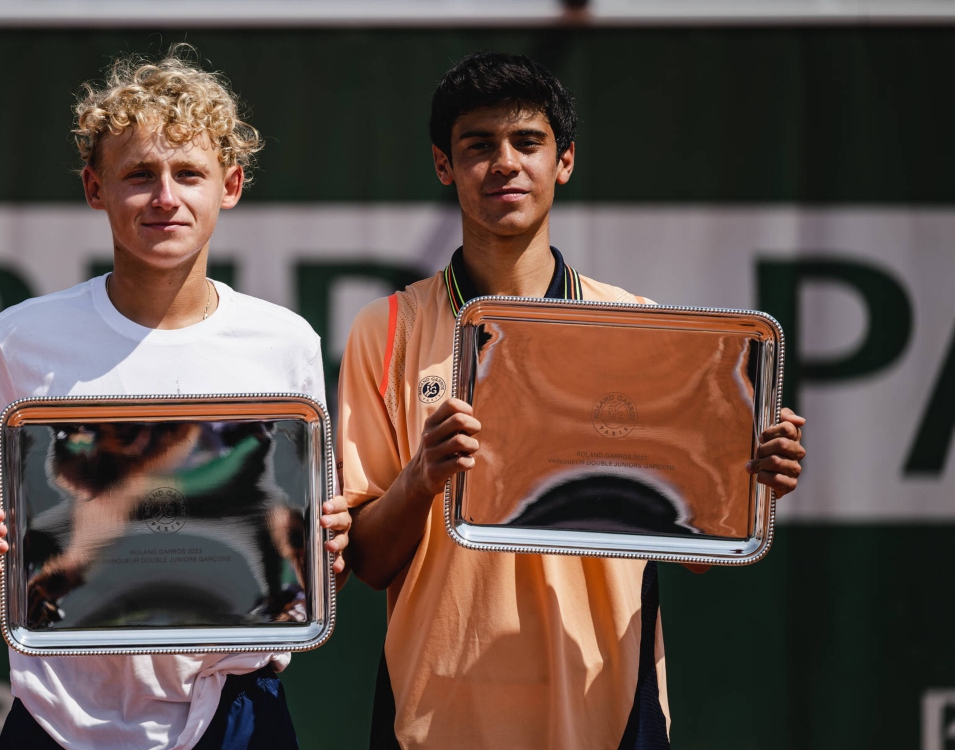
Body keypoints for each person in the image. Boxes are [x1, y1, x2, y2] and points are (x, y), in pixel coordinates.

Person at [337, 51, 806, 749]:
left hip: (606, 709)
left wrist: (752, 480)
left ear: (565, 161)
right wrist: (422, 478)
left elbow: (699, 543)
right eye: (478, 146)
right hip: (436, 716)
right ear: (444, 166)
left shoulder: (637, 324)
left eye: (528, 142)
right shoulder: (389, 329)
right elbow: (369, 562)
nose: (504, 163)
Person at [0, 47, 350, 750]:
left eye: (190, 174)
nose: (166, 197)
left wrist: (328, 543)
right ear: (95, 189)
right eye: (139, 175)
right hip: (60, 720)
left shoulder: (285, 341)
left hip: (239, 713)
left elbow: (307, 543)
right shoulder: (22, 337)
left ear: (230, 185)